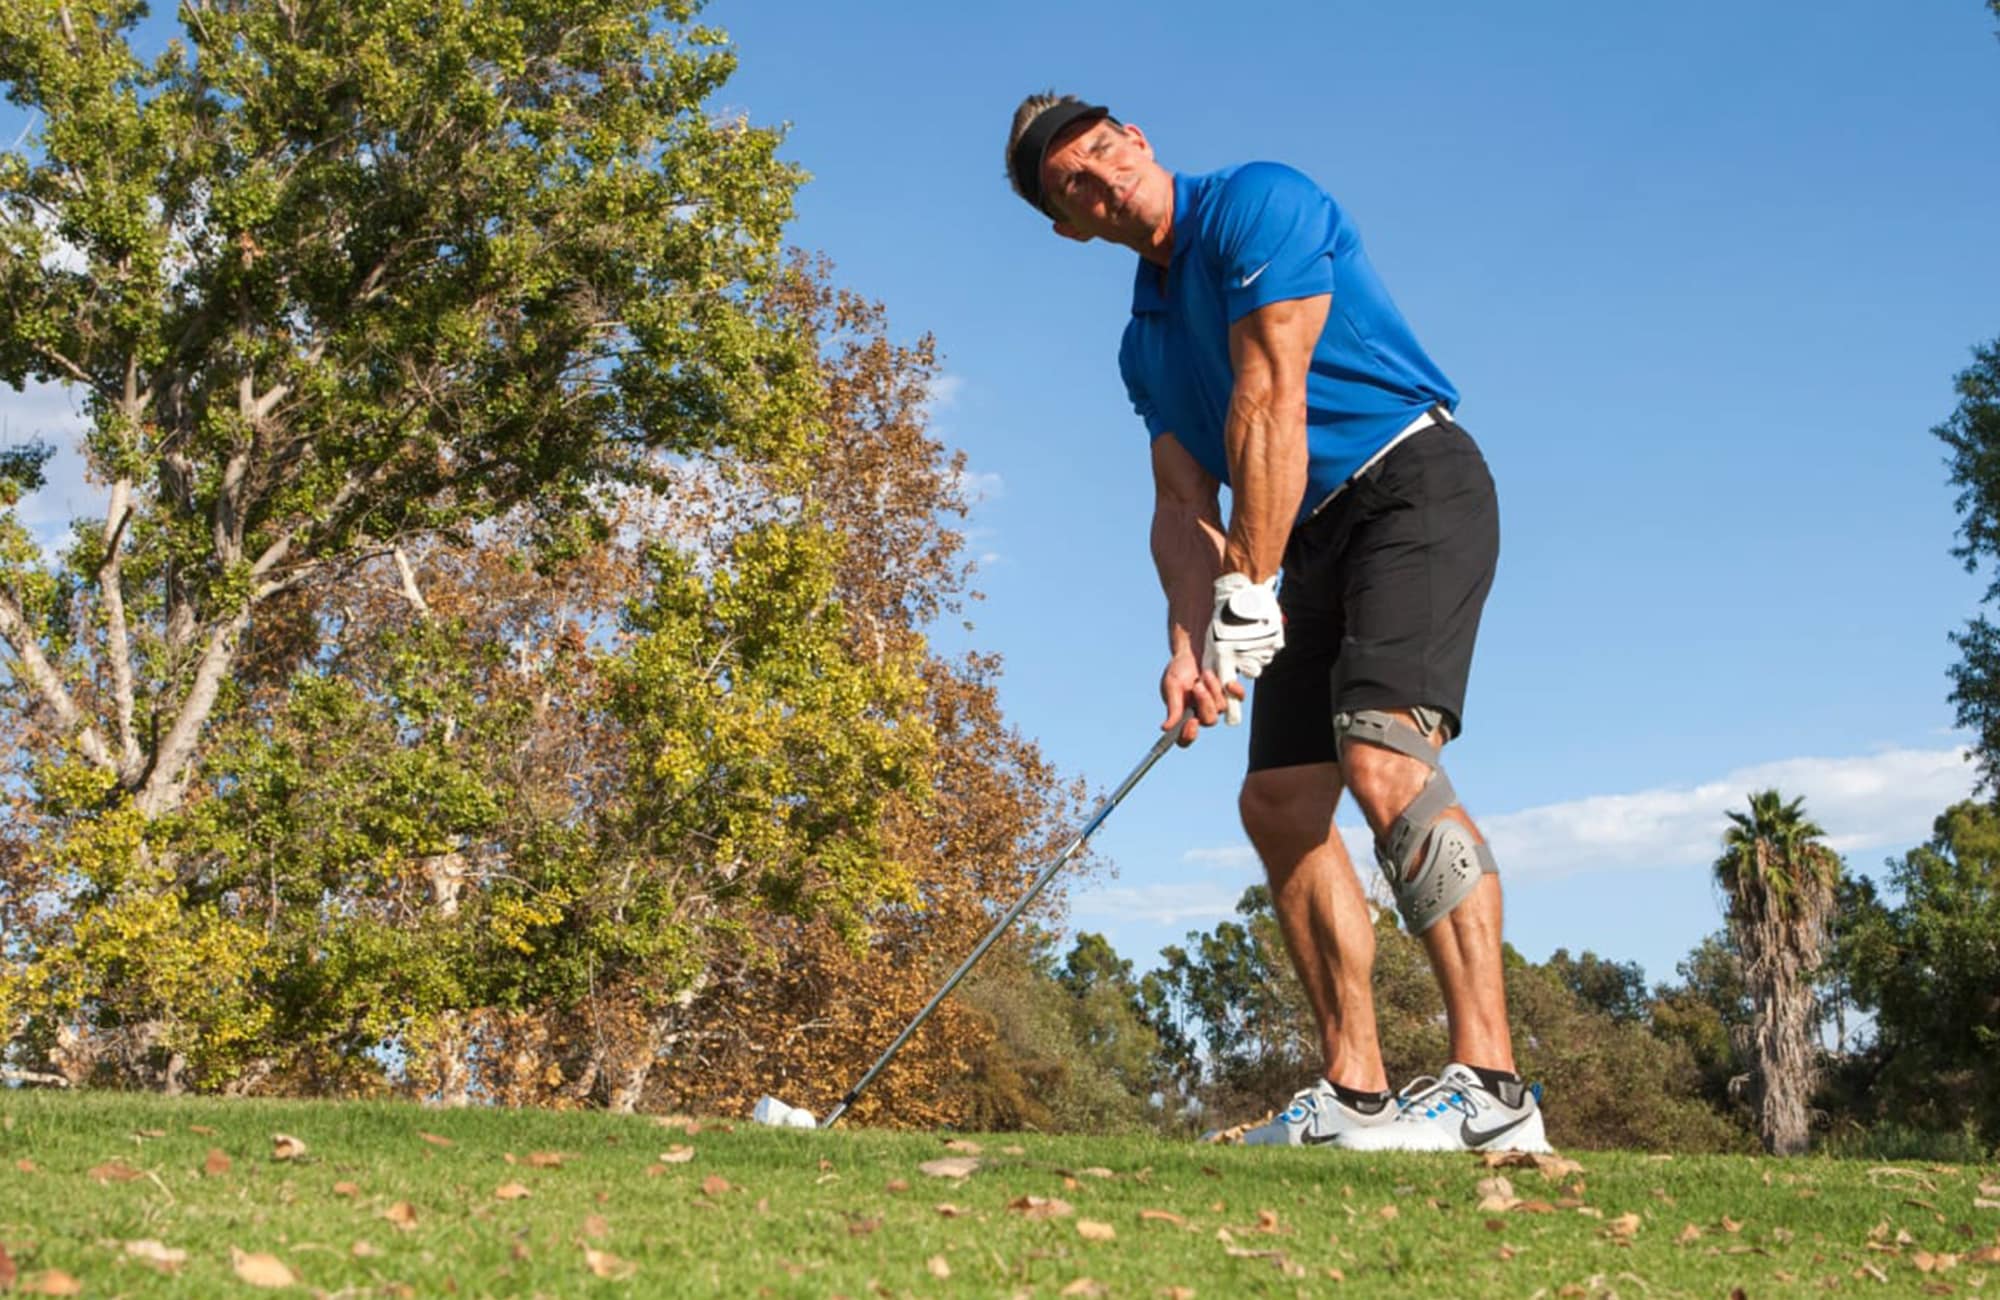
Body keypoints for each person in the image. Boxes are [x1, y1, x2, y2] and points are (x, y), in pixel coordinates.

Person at [1003, 94, 1549, 1153]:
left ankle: (1492, 1085)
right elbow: (1176, 506)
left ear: (1141, 144)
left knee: (1381, 753)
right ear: (1065, 225)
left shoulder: (1258, 203)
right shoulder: (1143, 342)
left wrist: (1247, 588)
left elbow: (1271, 401)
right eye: (1073, 181)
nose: (1102, 177)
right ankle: (1356, 1097)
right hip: (1297, 538)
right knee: (1279, 800)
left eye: (1106, 150)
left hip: (1409, 485)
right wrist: (1186, 642)